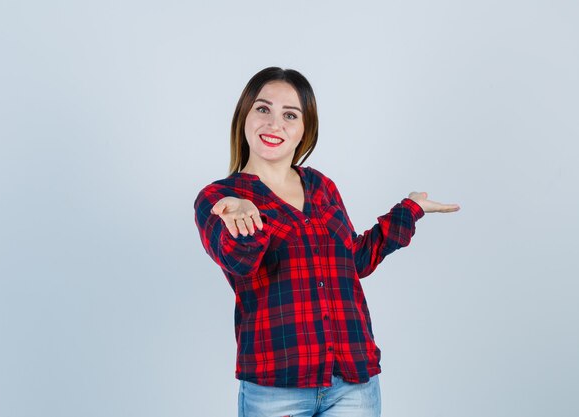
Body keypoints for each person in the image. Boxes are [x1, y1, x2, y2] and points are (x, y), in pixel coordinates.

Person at [193, 67, 460, 417]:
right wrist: (246, 218)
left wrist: (409, 209)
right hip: (276, 389)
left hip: (353, 383)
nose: (274, 124)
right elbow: (239, 263)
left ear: (305, 129)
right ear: (244, 114)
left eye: (290, 115)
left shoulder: (321, 186)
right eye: (263, 109)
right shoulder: (218, 198)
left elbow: (355, 259)